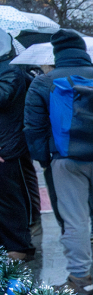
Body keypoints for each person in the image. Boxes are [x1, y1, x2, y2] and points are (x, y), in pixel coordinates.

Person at [23, 29, 93, 295]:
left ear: (56, 53)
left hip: (65, 159)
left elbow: (33, 129)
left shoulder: (42, 83)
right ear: (83, 50)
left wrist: (45, 160)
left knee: (75, 220)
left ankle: (80, 279)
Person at [0, 32, 34, 260]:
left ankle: (19, 246)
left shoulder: (10, 69)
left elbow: (3, 97)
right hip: (6, 143)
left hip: (7, 147)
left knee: (10, 199)